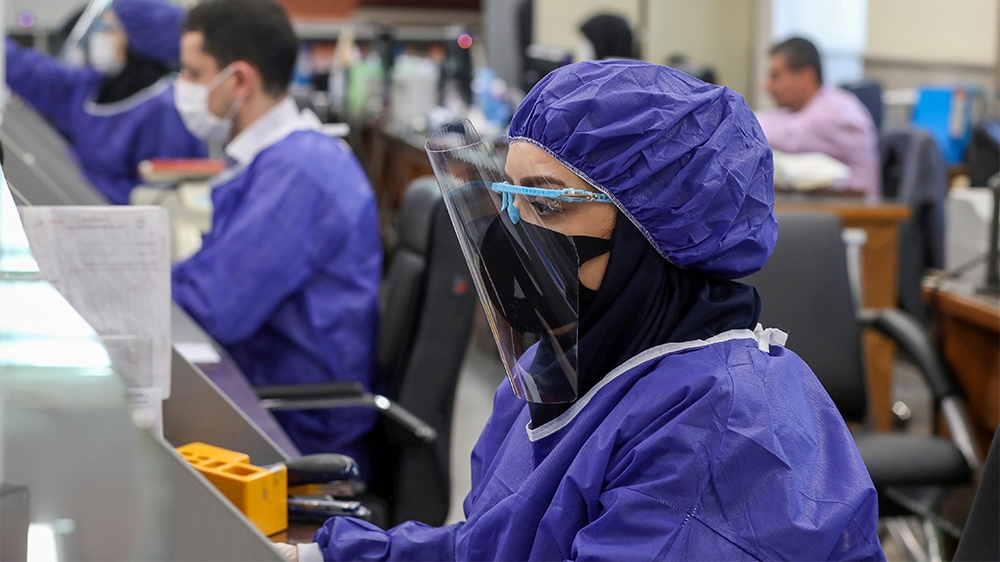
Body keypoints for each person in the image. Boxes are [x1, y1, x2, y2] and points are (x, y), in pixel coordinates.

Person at [278, 60, 884, 561]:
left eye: (546, 206)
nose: (513, 235)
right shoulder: (570, 365)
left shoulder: (723, 431)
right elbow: (493, 546)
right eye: (509, 197)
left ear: (653, 231)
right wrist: (323, 555)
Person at [170, 0, 380, 473]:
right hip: (265, 391)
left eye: (192, 72)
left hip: (294, 426)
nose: (181, 88)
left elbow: (215, 306)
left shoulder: (300, 172)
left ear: (240, 80)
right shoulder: (278, 160)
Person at [5, 0, 205, 204]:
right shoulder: (92, 87)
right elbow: (34, 74)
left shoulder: (165, 111)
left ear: (138, 39)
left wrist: (83, 185)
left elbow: (158, 201)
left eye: (107, 27)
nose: (98, 36)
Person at [756, 37, 881, 200]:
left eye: (776, 76)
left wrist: (730, 122)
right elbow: (771, 121)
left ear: (806, 77)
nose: (767, 86)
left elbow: (790, 135)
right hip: (826, 208)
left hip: (859, 217)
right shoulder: (796, 110)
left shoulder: (839, 111)